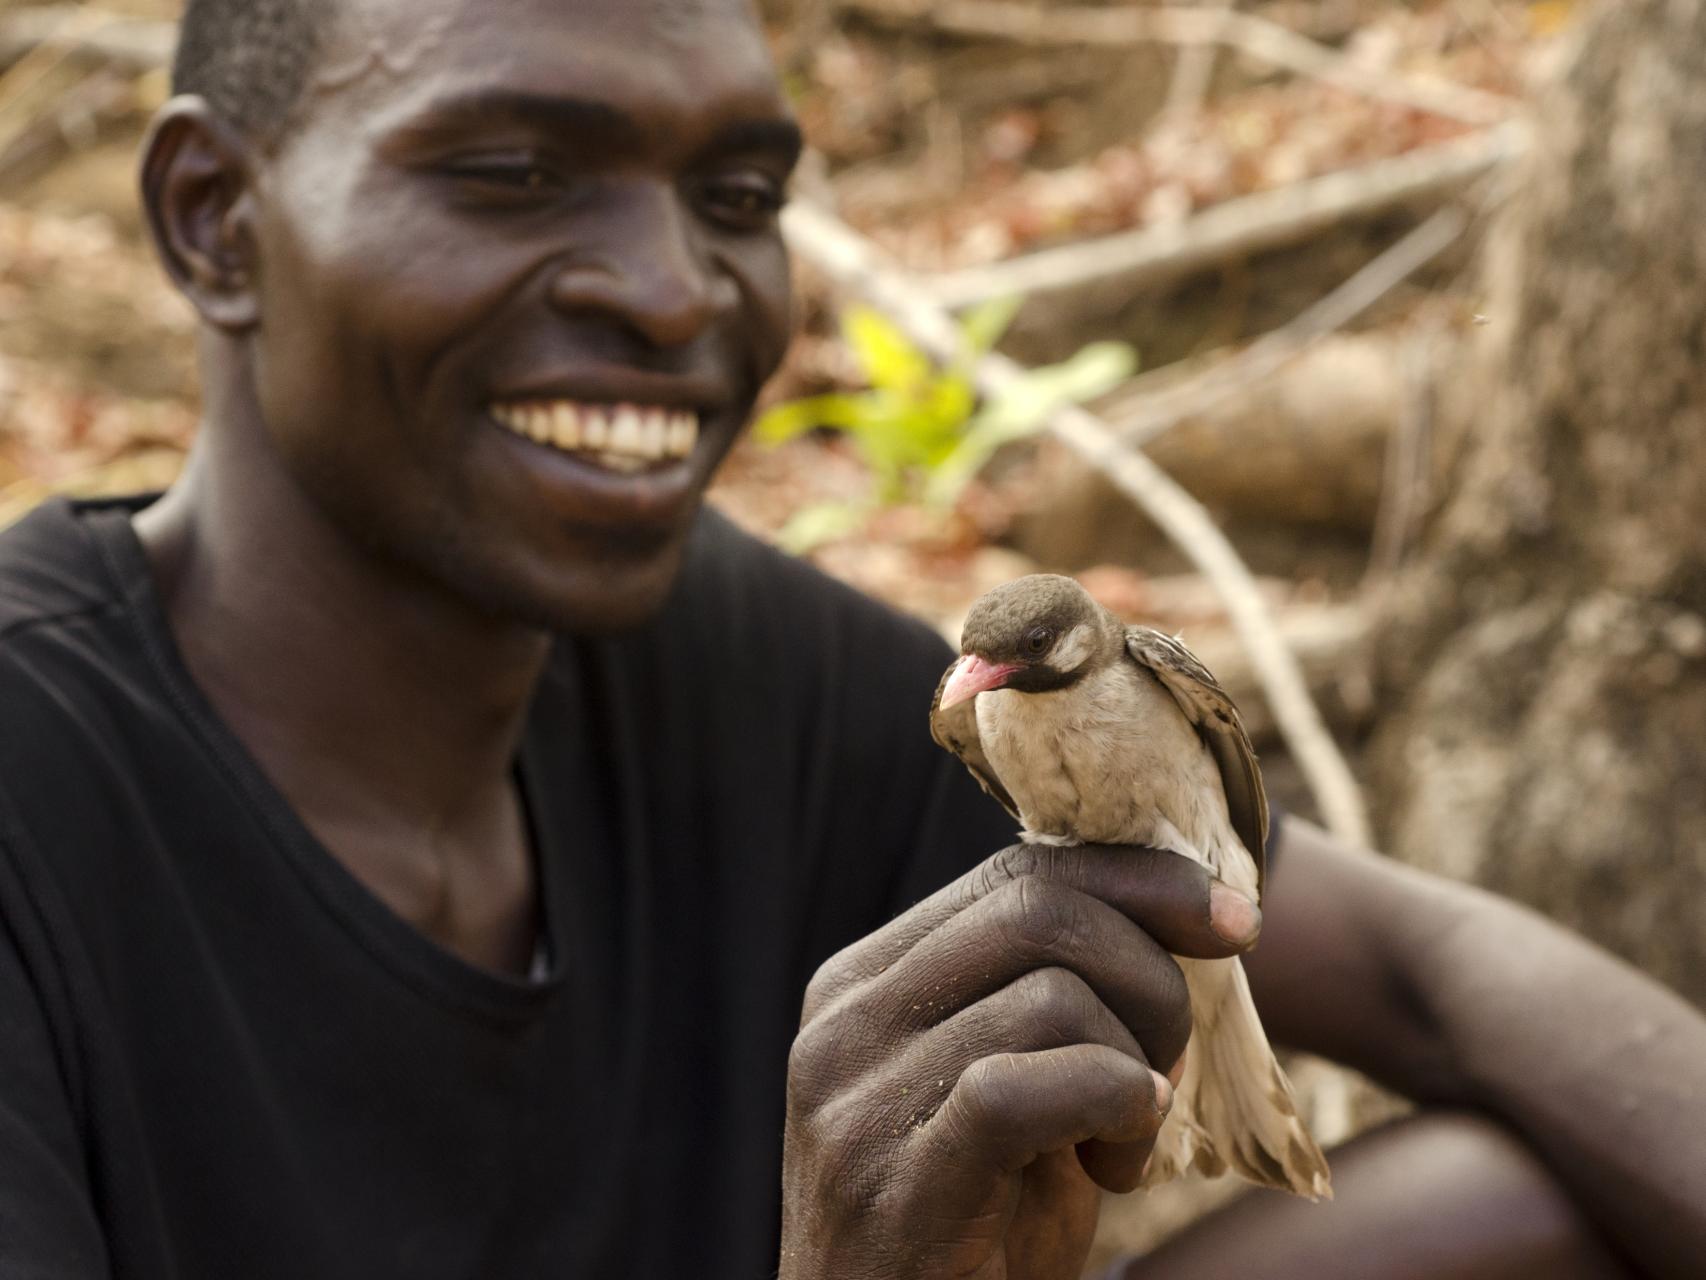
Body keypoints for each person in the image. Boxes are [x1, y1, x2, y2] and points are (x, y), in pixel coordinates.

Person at [0, 0, 1701, 1276]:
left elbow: (1423, 972)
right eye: (515, 173)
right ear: (215, 217)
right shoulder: (41, 789)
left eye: (739, 192)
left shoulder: (726, 659)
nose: (675, 288)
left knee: (1517, 1209)